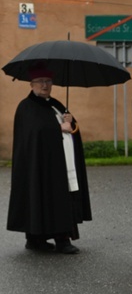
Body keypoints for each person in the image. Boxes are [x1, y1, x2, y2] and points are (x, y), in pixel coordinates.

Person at [7, 65, 91, 254]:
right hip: (41, 164)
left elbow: (71, 128)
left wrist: (71, 121)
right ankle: (41, 239)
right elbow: (34, 132)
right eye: (40, 82)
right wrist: (59, 128)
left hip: (62, 161)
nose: (45, 85)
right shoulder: (26, 107)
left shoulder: (56, 104)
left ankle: (56, 238)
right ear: (31, 84)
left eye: (48, 81)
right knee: (41, 195)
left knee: (60, 197)